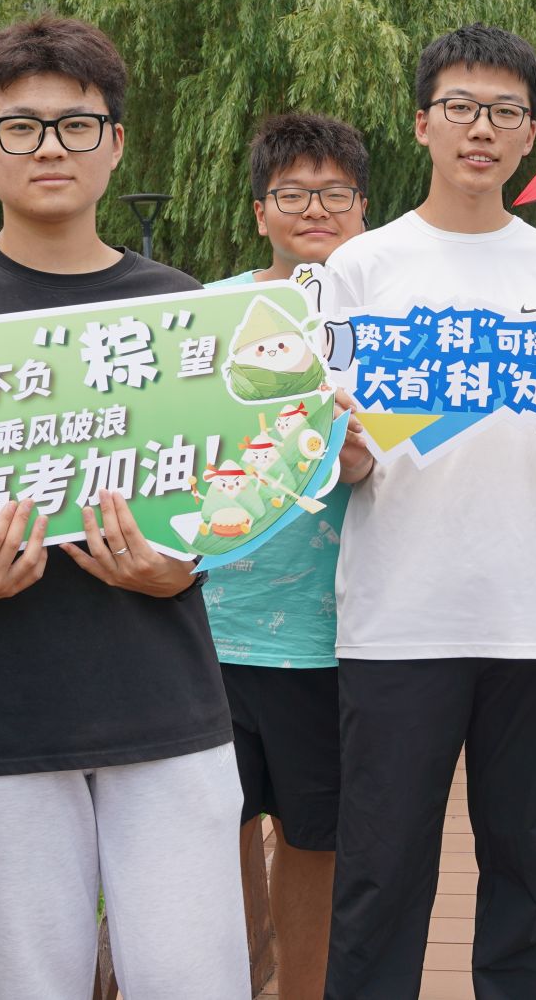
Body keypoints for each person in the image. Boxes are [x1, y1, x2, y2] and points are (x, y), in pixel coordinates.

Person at [0, 16, 248, 1000]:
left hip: (164, 697)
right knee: (29, 984)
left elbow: (229, 488)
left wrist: (183, 565)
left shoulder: (181, 310)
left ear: (116, 142)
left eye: (76, 125)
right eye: (19, 127)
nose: (50, 148)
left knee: (193, 978)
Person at [315, 23, 536, 1000]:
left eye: (505, 112)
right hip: (394, 618)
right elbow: (335, 462)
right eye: (459, 107)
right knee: (379, 877)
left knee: (522, 876)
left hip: (530, 616)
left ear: (530, 133)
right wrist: (343, 449)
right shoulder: (360, 270)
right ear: (422, 123)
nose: (481, 129)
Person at [205, 112, 370, 1000]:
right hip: (207, 623)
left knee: (316, 838)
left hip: (332, 633)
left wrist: (368, 455)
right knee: (212, 831)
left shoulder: (388, 321)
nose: (315, 209)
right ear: (260, 210)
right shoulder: (211, 317)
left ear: (363, 207)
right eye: (293, 193)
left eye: (334, 192)